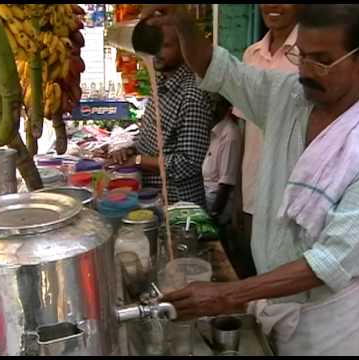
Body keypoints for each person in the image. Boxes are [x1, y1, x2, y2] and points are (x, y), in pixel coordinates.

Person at [142, 4, 359, 355]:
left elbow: (331, 261)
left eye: (322, 60)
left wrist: (228, 294)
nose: (306, 70)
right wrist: (183, 23)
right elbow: (220, 69)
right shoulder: (288, 97)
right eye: (301, 55)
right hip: (272, 301)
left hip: (330, 324)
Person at [107, 25, 214, 208]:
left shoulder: (192, 95)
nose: (156, 52)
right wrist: (130, 151)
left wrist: (139, 161)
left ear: (184, 48)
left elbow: (187, 163)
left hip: (178, 205)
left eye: (165, 46)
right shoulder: (160, 84)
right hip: (152, 197)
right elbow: (153, 141)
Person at [232, 4, 299, 279]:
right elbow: (243, 127)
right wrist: (237, 191)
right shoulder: (251, 54)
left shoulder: (309, 53)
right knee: (256, 272)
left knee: (286, 276)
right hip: (252, 190)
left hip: (292, 192)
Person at [202, 96, 241, 225]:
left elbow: (226, 184)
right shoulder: (214, 131)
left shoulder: (229, 135)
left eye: (215, 104)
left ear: (226, 108)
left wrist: (213, 216)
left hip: (216, 207)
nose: (210, 108)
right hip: (206, 199)